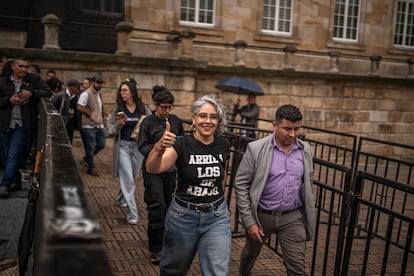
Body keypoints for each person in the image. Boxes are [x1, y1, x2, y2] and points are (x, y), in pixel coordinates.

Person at [145, 94, 231, 275]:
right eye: (203, 116)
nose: (208, 121)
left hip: (217, 216)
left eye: (213, 117)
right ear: (193, 118)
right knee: (173, 270)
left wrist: (218, 203)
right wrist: (159, 147)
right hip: (184, 217)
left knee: (217, 271)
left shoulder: (223, 145)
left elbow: (222, 178)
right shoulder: (181, 144)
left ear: (218, 121)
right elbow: (153, 168)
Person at [235, 104, 315, 276]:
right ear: (275, 125)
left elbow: (307, 184)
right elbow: (241, 185)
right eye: (287, 129)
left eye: (296, 129)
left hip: (292, 217)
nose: (292, 134)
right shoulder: (256, 149)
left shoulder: (306, 150)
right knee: (250, 253)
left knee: (297, 268)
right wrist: (249, 221)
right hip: (261, 216)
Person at [138, 85, 184, 264]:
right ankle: (155, 248)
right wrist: (159, 147)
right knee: (157, 206)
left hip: (170, 170)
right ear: (155, 106)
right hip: (152, 170)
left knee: (170, 207)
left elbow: (180, 143)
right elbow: (142, 146)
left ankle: (168, 242)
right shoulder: (148, 122)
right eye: (163, 107)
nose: (166, 110)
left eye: (169, 107)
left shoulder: (176, 121)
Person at [0, 57, 51, 198]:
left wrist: (32, 93)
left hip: (22, 124)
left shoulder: (33, 79)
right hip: (4, 124)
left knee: (13, 154)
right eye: (20, 66)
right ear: (13, 67)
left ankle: (4, 184)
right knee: (5, 155)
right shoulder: (3, 82)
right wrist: (8, 100)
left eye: (26, 67)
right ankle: (16, 181)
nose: (24, 69)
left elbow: (48, 92)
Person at [107, 79, 151, 225]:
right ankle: (133, 214)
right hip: (123, 147)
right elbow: (110, 131)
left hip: (138, 148)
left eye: (125, 90)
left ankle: (121, 198)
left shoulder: (143, 109)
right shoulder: (117, 109)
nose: (122, 93)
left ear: (132, 91)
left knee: (131, 177)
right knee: (129, 180)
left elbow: (152, 125)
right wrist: (119, 125)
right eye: (121, 90)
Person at [77, 75, 106, 176]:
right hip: (89, 125)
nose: (100, 85)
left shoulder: (99, 94)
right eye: (98, 82)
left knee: (102, 144)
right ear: (93, 82)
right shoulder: (86, 94)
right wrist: (91, 115)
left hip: (99, 124)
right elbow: (80, 107)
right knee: (90, 147)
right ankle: (91, 168)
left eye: (101, 83)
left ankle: (87, 158)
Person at [52, 79, 81, 143]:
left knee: (69, 140)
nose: (78, 89)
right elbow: (53, 107)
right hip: (62, 121)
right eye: (77, 87)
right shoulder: (60, 95)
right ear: (71, 87)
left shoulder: (76, 98)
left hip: (71, 123)